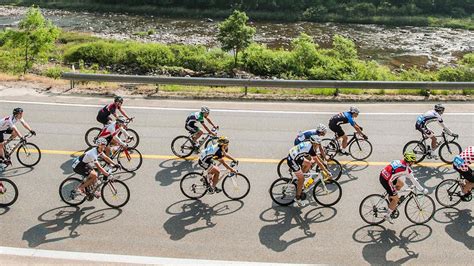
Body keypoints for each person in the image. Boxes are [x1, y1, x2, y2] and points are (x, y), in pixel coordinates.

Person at [379, 151, 429, 224]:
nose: (414, 163)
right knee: (396, 199)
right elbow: (414, 180)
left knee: (401, 184)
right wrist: (422, 190)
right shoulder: (406, 170)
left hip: (384, 175)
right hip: (386, 180)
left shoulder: (399, 161)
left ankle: (392, 197)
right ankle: (387, 215)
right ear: (410, 161)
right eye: (413, 161)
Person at [286, 135, 332, 207]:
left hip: (296, 155)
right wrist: (327, 171)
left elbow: (315, 157)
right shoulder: (310, 149)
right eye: (318, 144)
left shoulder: (309, 144)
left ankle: (299, 182)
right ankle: (297, 198)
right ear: (314, 143)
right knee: (302, 179)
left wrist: (322, 162)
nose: (318, 146)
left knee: (309, 163)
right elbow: (318, 162)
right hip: (292, 160)